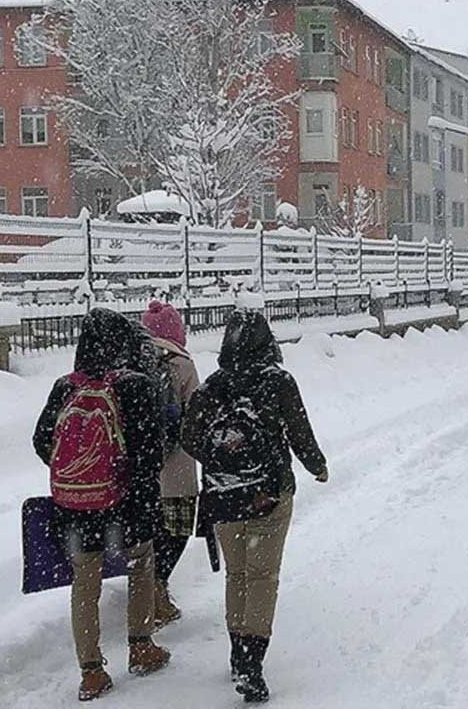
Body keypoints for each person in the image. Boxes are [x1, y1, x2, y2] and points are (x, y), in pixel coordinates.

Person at [182, 309, 328, 704]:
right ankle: (252, 663)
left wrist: (220, 457)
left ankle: (236, 652)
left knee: (238, 576)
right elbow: (300, 432)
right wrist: (318, 466)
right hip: (268, 494)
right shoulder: (278, 381)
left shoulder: (213, 386)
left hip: (224, 496)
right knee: (263, 578)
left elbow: (188, 436)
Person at [31, 308, 171, 702]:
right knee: (141, 565)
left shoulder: (65, 387)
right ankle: (141, 645)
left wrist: (80, 471)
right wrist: (127, 484)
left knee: (84, 584)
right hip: (126, 503)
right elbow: (150, 451)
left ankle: (91, 671)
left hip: (74, 506)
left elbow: (42, 441)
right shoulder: (135, 385)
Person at [140, 300, 201, 628]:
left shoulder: (131, 360)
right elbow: (197, 415)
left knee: (147, 532)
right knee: (175, 531)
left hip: (141, 468)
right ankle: (159, 587)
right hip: (177, 467)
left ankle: (146, 589)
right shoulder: (182, 364)